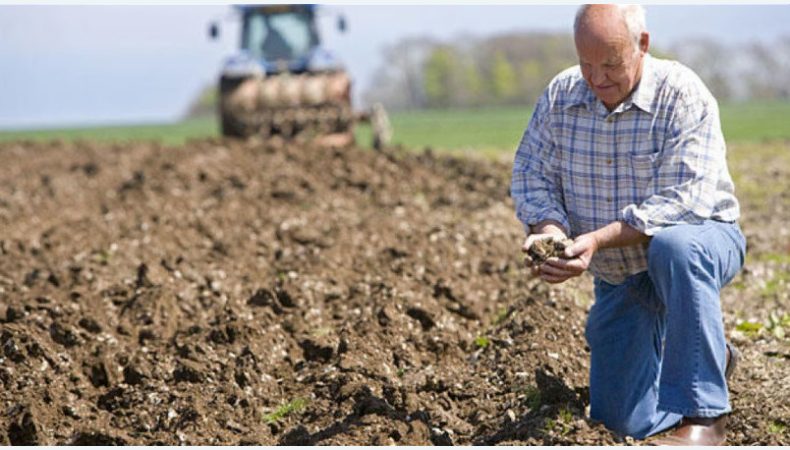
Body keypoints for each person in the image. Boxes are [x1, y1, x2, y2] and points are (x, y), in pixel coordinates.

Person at [510, 4, 745, 445]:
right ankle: (710, 355)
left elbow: (685, 203)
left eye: (611, 64)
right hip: (622, 274)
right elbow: (531, 174)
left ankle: (705, 418)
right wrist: (551, 232)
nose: (597, 78)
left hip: (700, 242)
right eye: (586, 64)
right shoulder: (561, 97)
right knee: (622, 421)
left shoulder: (682, 94)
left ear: (643, 45)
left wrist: (597, 239)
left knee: (676, 247)